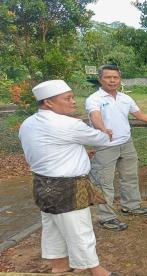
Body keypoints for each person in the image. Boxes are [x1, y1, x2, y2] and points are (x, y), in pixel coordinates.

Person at [19, 80, 117, 275]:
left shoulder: (27, 124)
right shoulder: (69, 124)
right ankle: (97, 271)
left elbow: (47, 151)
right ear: (48, 103)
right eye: (67, 98)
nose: (73, 101)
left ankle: (60, 266)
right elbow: (102, 139)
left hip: (42, 185)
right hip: (67, 187)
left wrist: (78, 154)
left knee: (53, 228)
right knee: (80, 230)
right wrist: (107, 133)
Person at [85, 65, 147, 231]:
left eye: (115, 77)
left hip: (126, 143)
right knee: (104, 183)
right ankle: (106, 217)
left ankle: (130, 206)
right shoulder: (94, 99)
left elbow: (141, 115)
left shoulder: (125, 98)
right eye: (108, 77)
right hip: (104, 146)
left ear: (119, 79)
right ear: (100, 79)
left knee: (130, 176)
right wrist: (102, 129)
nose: (112, 80)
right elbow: (95, 117)